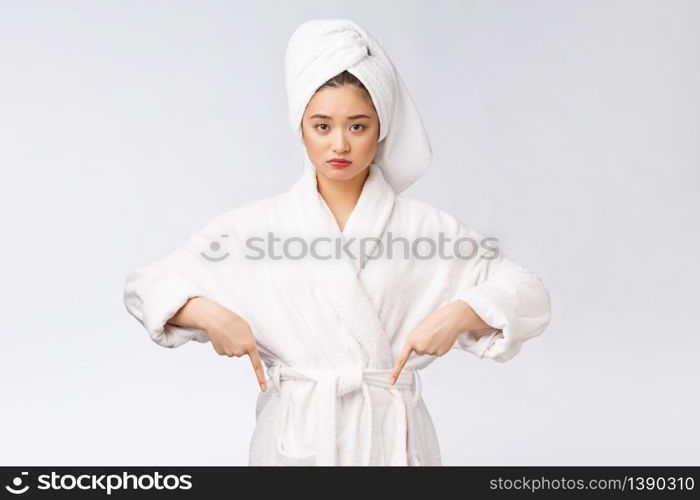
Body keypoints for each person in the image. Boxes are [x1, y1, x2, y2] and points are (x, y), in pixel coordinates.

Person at [123, 18, 552, 466]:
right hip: (297, 439)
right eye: (322, 126)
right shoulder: (255, 228)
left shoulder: (427, 230)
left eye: (358, 126)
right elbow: (145, 285)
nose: (340, 144)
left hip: (393, 443)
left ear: (380, 129)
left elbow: (530, 293)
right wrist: (204, 312)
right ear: (301, 128)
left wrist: (461, 313)